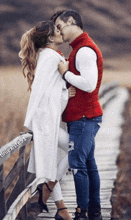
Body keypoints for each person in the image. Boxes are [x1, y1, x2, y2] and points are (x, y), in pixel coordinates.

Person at [19, 20, 75, 220]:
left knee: (53, 159)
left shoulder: (49, 56)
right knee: (75, 147)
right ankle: (49, 187)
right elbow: (40, 89)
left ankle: (61, 209)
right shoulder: (50, 57)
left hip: (47, 118)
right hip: (44, 119)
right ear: (50, 38)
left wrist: (64, 87)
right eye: (57, 31)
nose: (61, 32)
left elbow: (50, 87)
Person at [52, 10, 104, 220]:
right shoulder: (79, 48)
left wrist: (65, 73)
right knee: (88, 164)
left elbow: (89, 84)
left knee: (78, 164)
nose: (58, 32)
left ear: (71, 22)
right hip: (83, 118)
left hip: (84, 118)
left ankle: (82, 212)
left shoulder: (84, 50)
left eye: (59, 26)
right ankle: (95, 211)